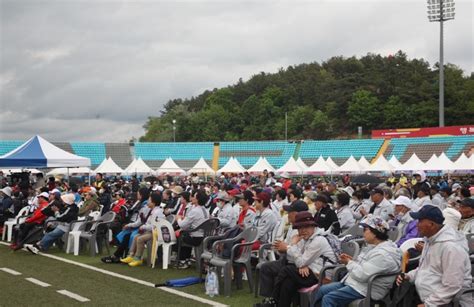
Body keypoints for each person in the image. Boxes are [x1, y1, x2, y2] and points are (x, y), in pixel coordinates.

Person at [313, 215, 402, 307]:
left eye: (365, 230)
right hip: (357, 284)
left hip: (367, 289)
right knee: (322, 290)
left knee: (329, 298)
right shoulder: (373, 247)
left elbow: (362, 275)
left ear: (374, 233)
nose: (363, 233)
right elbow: (366, 268)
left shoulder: (383, 255)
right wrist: (352, 261)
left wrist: (349, 262)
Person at [397, 205, 472, 306]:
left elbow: (452, 286)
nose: (417, 225)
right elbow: (425, 269)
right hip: (427, 297)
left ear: (431, 224)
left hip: (447, 303)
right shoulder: (430, 240)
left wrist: (428, 304)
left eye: (420, 221)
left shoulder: (451, 247)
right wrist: (408, 276)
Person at [270, 211, 337, 307]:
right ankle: (277, 303)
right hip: (310, 271)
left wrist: (291, 245)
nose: (303, 230)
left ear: (313, 226)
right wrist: (303, 264)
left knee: (286, 269)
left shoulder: (319, 240)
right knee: (288, 283)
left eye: (306, 227)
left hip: (321, 275)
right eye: (300, 227)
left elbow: (300, 260)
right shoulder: (305, 238)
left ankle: (273, 300)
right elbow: (295, 260)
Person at [120, 192, 165, 267]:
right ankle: (131, 256)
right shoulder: (153, 210)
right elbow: (148, 223)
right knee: (136, 236)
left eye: (149, 200)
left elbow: (154, 226)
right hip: (150, 232)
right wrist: (144, 226)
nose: (147, 201)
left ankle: (138, 258)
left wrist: (143, 227)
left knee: (140, 239)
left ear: (153, 202)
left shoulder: (157, 212)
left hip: (156, 233)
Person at [175, 189, 209, 269]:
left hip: (197, 238)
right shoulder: (205, 210)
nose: (192, 198)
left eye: (193, 196)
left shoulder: (195, 211)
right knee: (184, 233)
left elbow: (182, 225)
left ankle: (183, 260)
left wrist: (178, 218)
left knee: (181, 235)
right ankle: (187, 259)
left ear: (197, 200)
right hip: (204, 236)